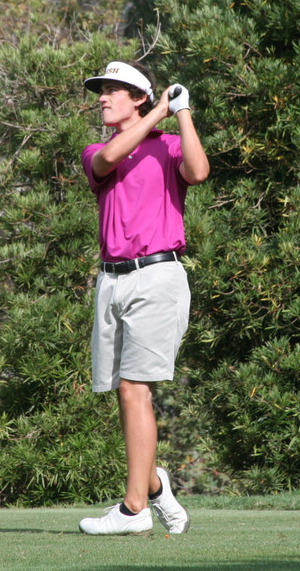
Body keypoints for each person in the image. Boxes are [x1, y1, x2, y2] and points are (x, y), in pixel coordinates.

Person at [77, 60, 210, 535]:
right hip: (111, 281)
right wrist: (159, 112)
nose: (102, 97)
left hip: (156, 276)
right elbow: (108, 161)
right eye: (101, 90)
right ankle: (154, 486)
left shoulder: (170, 145)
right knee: (124, 395)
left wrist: (183, 111)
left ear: (137, 97)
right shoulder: (99, 148)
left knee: (136, 389)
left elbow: (198, 170)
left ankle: (135, 509)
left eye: (113, 90)